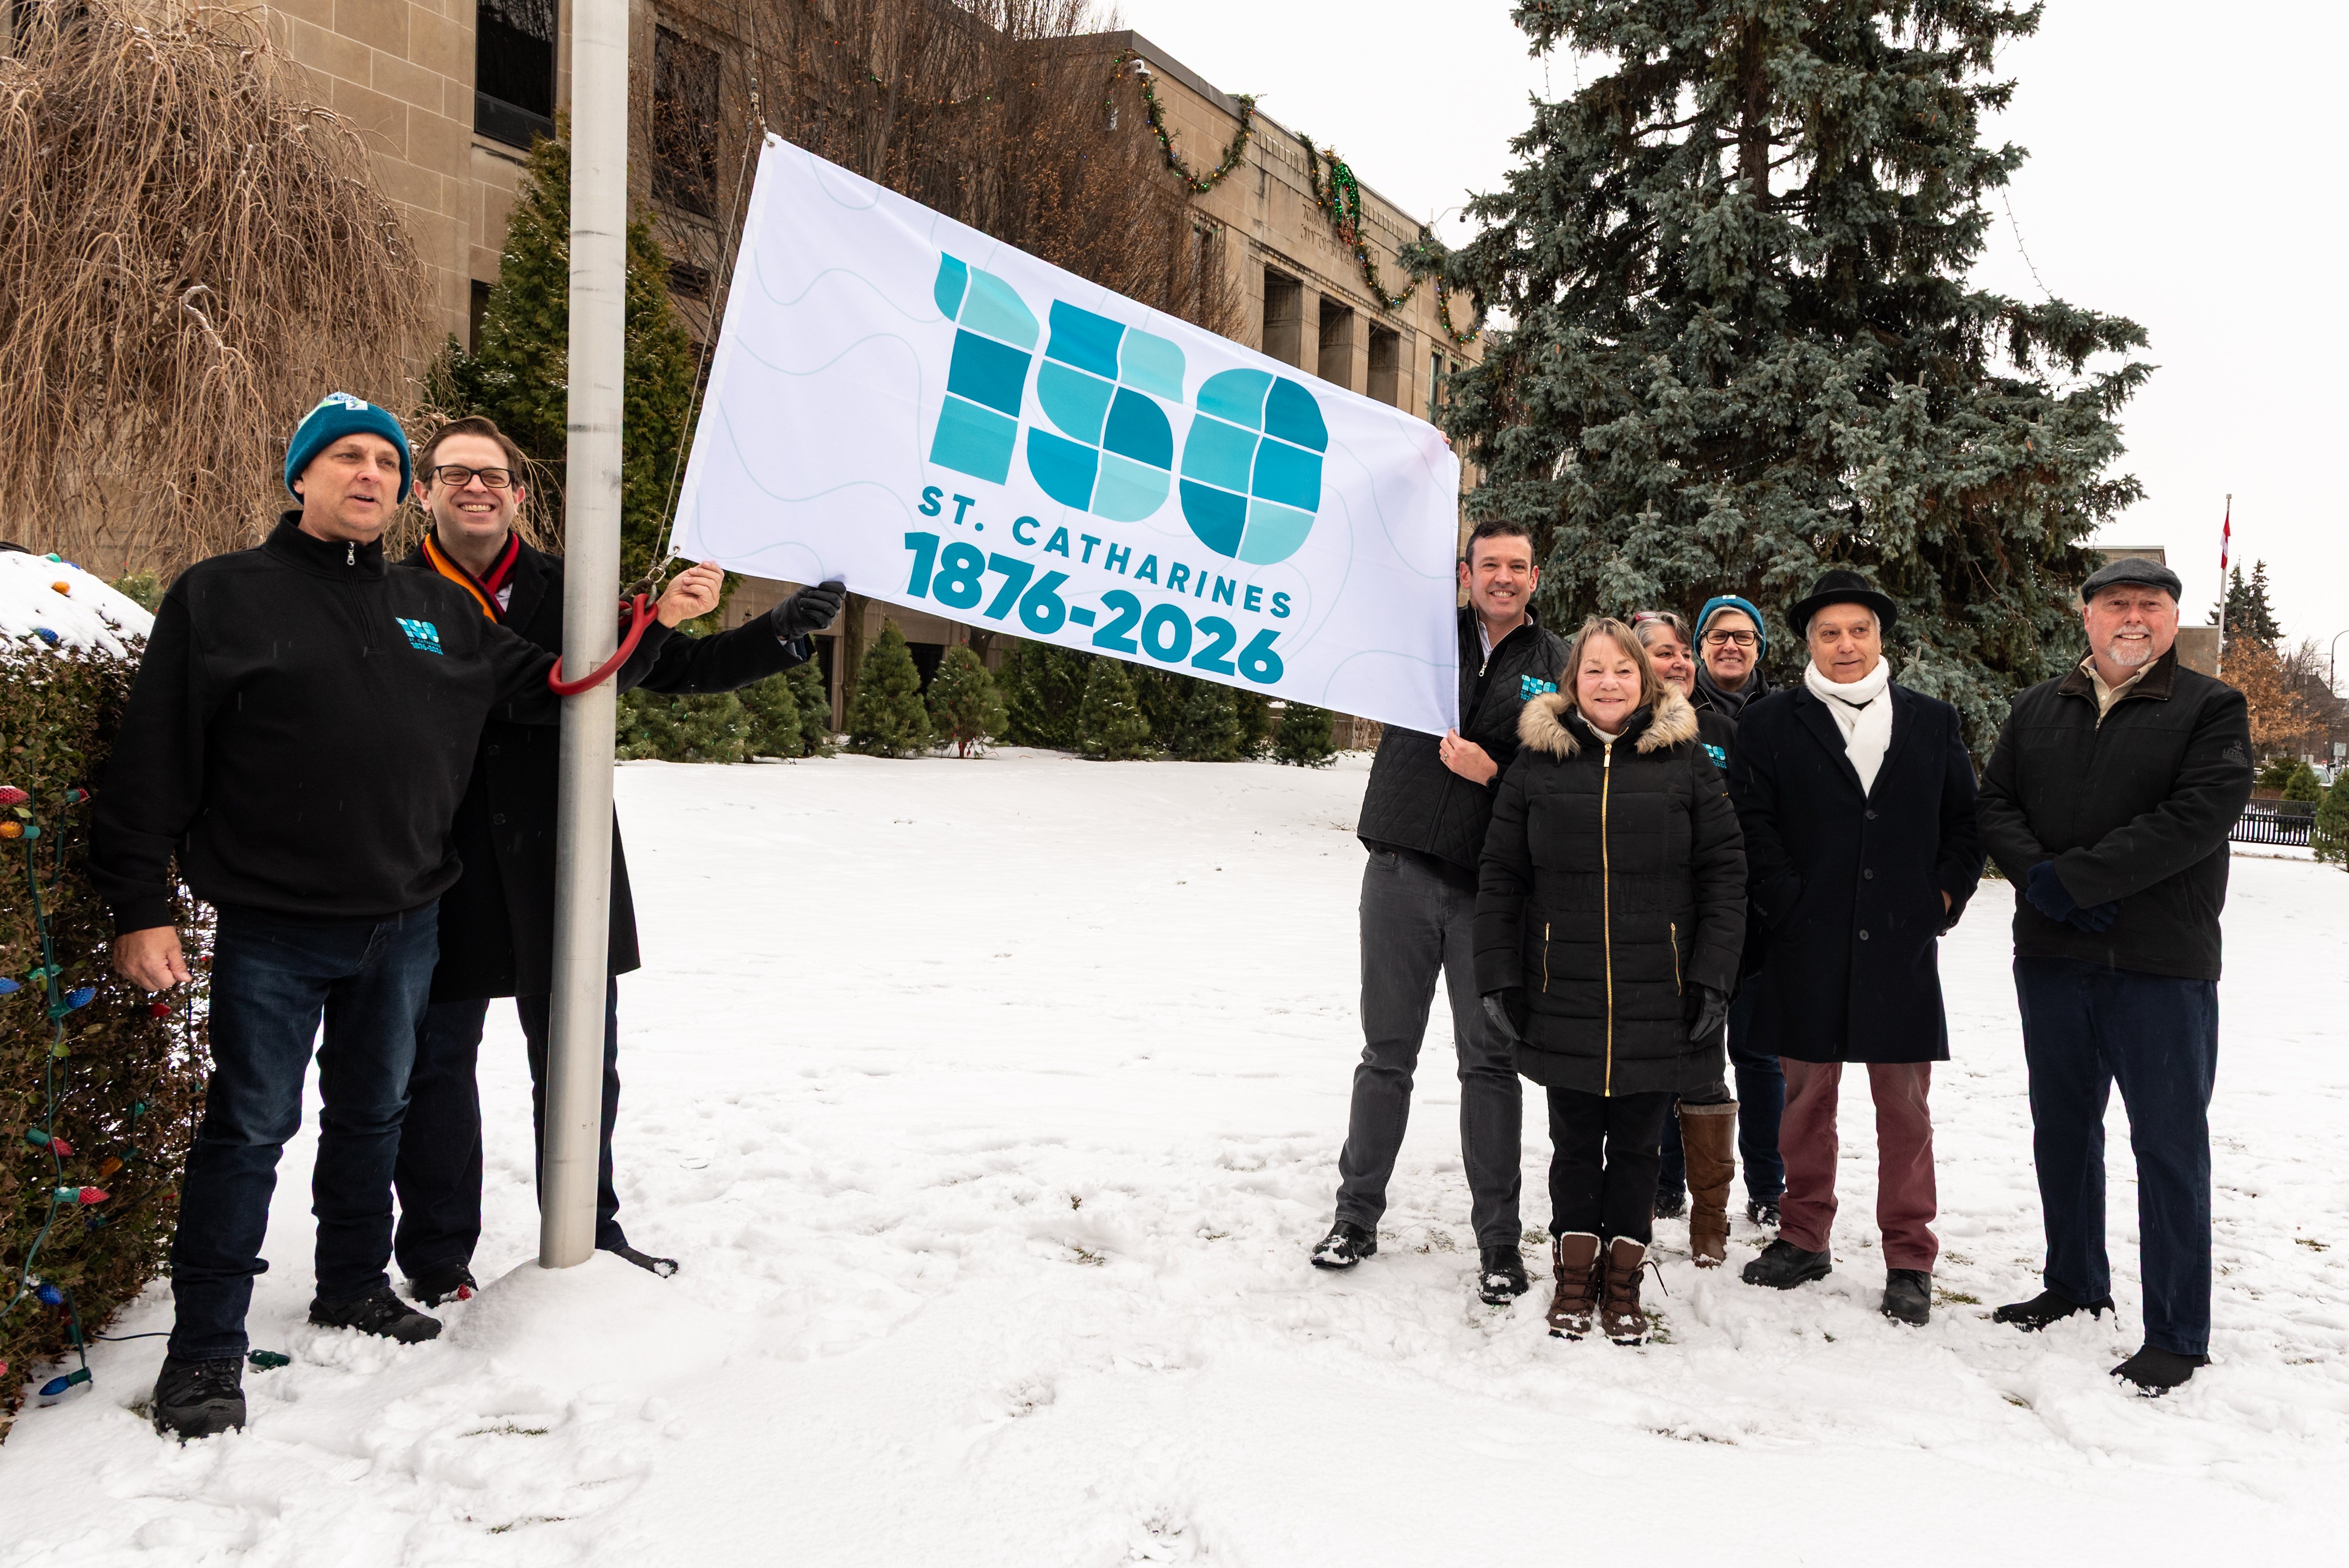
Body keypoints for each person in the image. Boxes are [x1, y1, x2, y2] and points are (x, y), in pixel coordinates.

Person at [89, 394, 709, 1441]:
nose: (367, 474)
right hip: (276, 926)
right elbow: (155, 759)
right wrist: (138, 904)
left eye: (382, 459)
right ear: (300, 478)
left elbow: (567, 678)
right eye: (344, 458)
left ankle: (350, 1282)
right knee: (247, 1129)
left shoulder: (438, 609)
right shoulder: (226, 595)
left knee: (375, 1113)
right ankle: (206, 1350)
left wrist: (657, 620)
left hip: (407, 919)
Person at [388, 417, 845, 1302]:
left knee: (577, 1059)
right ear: (425, 492)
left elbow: (682, 668)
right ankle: (439, 1252)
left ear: (521, 494)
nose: (474, 489)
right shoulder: (392, 591)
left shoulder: (576, 582)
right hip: (432, 860)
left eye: (493, 476)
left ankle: (589, 1229)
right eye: (454, 475)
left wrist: (780, 632)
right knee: (432, 1063)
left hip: (562, 855)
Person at [1976, 558, 2252, 1395]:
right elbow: (1994, 805)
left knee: (2166, 1145)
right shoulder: (2036, 706)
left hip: (2157, 965)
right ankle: (2073, 1282)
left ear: (2171, 619)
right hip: (2053, 958)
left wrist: (2081, 880)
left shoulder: (2209, 708)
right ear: (2084, 615)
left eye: (2150, 604)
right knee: (2061, 1130)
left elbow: (2196, 815)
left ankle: (2174, 1331)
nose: (2132, 616)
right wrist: (2042, 880)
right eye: (2114, 604)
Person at [1316, 517, 1568, 1305]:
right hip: (1398, 867)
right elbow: (1355, 585)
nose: (1501, 576)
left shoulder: (1556, 664)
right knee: (1384, 1053)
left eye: (1516, 565)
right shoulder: (1419, 636)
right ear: (1464, 573)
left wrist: (1491, 771)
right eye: (1487, 563)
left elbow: (1556, 784)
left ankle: (1498, 1240)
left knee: (1488, 1063)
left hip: (1489, 888)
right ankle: (1354, 1217)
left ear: (1535, 577)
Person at [1475, 617, 1746, 1342]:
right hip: (1558, 983)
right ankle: (1573, 1271)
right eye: (1593, 669)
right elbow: (1501, 874)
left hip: (1658, 985)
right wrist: (1498, 976)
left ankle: (1621, 1279)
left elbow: (1724, 871)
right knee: (1571, 1142)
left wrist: (1713, 976)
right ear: (1572, 680)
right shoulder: (1537, 762)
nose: (1607, 683)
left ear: (1645, 679)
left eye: (1622, 670)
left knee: (1634, 1144)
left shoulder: (1685, 761)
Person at [1729, 569, 1982, 1325]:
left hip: (1898, 947)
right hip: (1804, 943)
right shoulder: (1771, 722)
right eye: (1829, 633)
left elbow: (1965, 826)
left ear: (1879, 637)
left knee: (1903, 1108)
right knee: (1804, 1100)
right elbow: (1751, 823)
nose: (1845, 645)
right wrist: (1787, 903)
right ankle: (1803, 1235)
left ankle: (1909, 1254)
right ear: (1809, 641)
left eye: (1858, 630)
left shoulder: (1932, 721)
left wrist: (1938, 898)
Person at [1627, 611, 1743, 1268]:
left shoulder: (1722, 731)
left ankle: (1708, 1219)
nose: (1675, 663)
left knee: (1703, 1069)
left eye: (1681, 654)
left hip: (1701, 932)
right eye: (1660, 653)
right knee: (1634, 1078)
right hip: (1627, 933)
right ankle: (1633, 1204)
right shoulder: (1608, 731)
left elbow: (1741, 841)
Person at [1692, 594, 1772, 720]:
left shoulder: (1780, 709)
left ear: (1757, 651)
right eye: (1719, 636)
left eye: (1743, 637)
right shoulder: (1672, 707)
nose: (1730, 647)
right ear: (1702, 649)